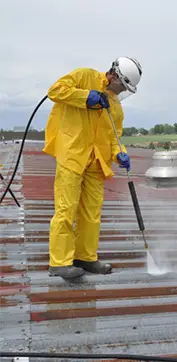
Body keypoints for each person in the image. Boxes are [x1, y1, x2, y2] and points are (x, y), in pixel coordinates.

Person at [43, 57, 142, 279]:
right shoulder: (84, 76)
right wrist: (85, 96)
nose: (121, 92)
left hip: (97, 162)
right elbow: (55, 91)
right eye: (122, 86)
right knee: (66, 209)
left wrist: (119, 154)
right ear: (114, 75)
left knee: (91, 213)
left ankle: (85, 258)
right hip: (72, 155)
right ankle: (59, 262)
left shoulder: (115, 105)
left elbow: (114, 136)